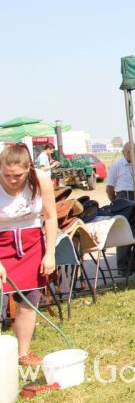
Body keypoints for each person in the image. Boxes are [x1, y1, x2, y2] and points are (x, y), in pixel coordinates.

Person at [0, 144, 57, 366]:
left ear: (28, 169)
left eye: (17, 175)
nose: (11, 180)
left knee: (29, 297)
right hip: (2, 241)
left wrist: (50, 253)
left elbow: (50, 217)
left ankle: (23, 354)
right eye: (6, 175)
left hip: (31, 241)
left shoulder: (40, 179)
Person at [106, 142, 135, 272]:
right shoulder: (116, 166)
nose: (132, 154)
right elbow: (109, 188)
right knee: (124, 232)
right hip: (123, 197)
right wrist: (116, 202)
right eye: (129, 151)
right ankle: (122, 265)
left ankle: (132, 261)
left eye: (134, 152)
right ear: (124, 152)